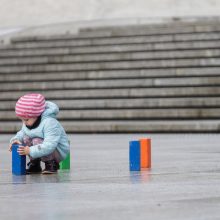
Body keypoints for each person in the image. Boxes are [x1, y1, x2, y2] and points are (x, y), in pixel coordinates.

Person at [9, 93, 70, 174]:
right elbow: (22, 132)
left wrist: (30, 150)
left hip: (57, 150)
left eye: (26, 120)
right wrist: (15, 140)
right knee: (26, 138)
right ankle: (35, 164)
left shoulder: (50, 123)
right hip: (40, 149)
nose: (24, 122)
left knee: (36, 140)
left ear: (37, 115)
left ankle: (51, 164)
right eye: (22, 120)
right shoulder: (29, 121)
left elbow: (50, 145)